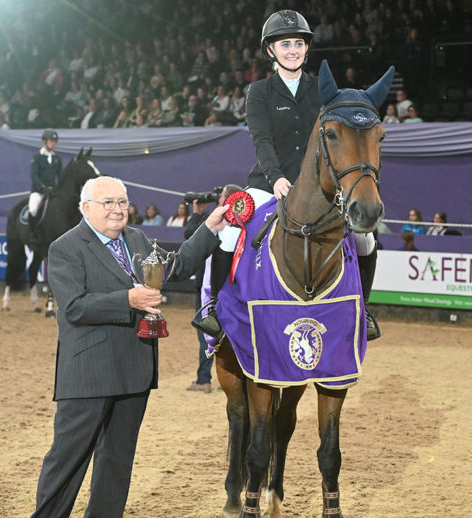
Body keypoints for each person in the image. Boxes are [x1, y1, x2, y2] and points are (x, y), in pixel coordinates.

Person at [30, 176, 229, 517]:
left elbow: (175, 266)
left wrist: (210, 227)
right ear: (86, 208)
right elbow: (75, 306)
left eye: (122, 202)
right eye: (108, 202)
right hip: (88, 374)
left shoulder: (134, 238)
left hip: (134, 370)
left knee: (117, 463)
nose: (118, 209)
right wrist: (129, 299)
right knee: (67, 461)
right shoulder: (65, 247)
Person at [197, 9, 384, 342]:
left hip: (319, 189)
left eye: (298, 43)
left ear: (306, 48)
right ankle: (213, 307)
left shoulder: (324, 91)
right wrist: (276, 178)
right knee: (228, 234)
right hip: (269, 184)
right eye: (285, 45)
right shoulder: (259, 92)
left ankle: (364, 309)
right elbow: (262, 140)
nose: (293, 50)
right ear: (271, 51)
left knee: (365, 239)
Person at [184, 185, 242, 393]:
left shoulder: (220, 221)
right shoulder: (241, 222)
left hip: (211, 286)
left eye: (221, 197)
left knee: (207, 331)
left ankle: (203, 379)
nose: (218, 201)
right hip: (234, 286)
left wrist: (197, 215)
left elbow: (191, 236)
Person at [28, 130, 63, 235]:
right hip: (39, 191)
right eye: (51, 141)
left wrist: (59, 188)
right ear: (44, 141)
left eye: (55, 141)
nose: (53, 143)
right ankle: (32, 234)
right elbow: (34, 176)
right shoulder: (37, 157)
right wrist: (42, 187)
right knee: (33, 209)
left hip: (52, 191)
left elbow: (60, 176)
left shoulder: (57, 158)